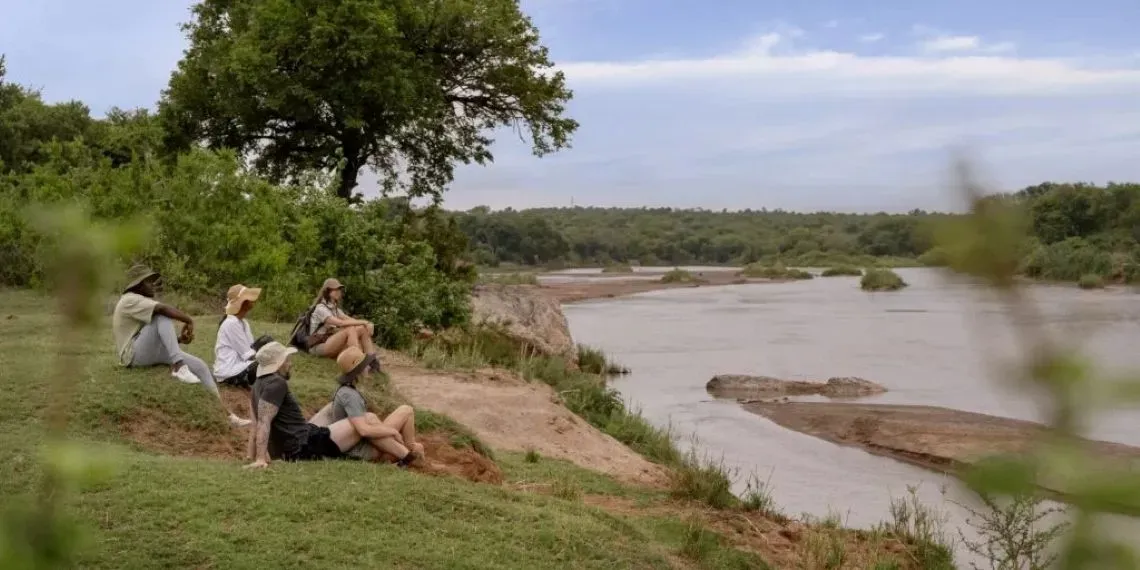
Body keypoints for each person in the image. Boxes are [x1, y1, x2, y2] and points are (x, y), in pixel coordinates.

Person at [112, 264, 251, 428]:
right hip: (132, 355)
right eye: (149, 281)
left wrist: (178, 339)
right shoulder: (129, 299)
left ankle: (227, 415)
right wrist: (188, 320)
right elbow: (162, 310)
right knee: (161, 316)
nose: (153, 285)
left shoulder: (139, 301)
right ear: (139, 285)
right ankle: (179, 366)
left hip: (143, 351)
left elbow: (151, 336)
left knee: (200, 366)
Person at [246, 342, 415, 468]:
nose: (290, 363)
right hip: (304, 446)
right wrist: (260, 459)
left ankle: (404, 455)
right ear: (279, 363)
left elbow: (255, 425)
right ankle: (406, 457)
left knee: (348, 415)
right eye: (287, 360)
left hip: (300, 442)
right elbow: (264, 422)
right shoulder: (277, 383)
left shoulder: (257, 386)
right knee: (368, 419)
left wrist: (251, 456)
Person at [308, 346, 423, 463]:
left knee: (406, 410)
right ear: (358, 370)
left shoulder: (346, 390)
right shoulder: (349, 395)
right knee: (403, 413)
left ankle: (410, 448)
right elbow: (363, 431)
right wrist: (393, 431)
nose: (368, 367)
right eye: (365, 365)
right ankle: (409, 453)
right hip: (360, 448)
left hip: (361, 441)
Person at [305, 278, 380, 370]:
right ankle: (357, 361)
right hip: (318, 346)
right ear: (327, 291)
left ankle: (371, 361)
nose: (338, 292)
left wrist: (366, 324)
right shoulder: (321, 308)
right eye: (335, 289)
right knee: (349, 329)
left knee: (361, 329)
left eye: (339, 289)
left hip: (331, 342)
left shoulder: (335, 309)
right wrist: (364, 322)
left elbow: (350, 320)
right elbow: (341, 323)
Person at [213, 284, 270, 388]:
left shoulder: (243, 322)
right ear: (243, 303)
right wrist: (271, 360)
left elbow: (250, 347)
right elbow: (248, 355)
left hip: (241, 363)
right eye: (248, 298)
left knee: (267, 341)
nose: (252, 301)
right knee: (263, 364)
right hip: (230, 371)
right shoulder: (231, 323)